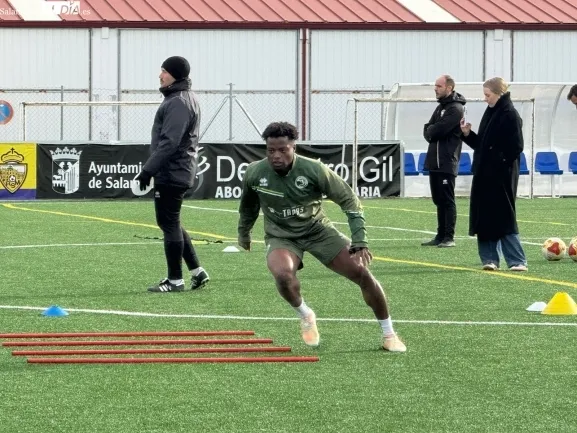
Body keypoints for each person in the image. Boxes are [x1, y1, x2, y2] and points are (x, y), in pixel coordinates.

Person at [237, 121, 406, 352]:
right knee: (283, 276)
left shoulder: (314, 169)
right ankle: (305, 314)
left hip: (318, 230)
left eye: (282, 150)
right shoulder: (255, 172)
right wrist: (243, 233)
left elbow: (349, 200)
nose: (276, 155)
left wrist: (359, 240)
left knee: (362, 274)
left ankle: (389, 334)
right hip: (281, 236)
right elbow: (248, 206)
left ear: (293, 147)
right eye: (270, 150)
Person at [135, 56, 210, 292]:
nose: (160, 75)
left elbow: (169, 142)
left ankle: (175, 280)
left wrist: (147, 171)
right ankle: (197, 271)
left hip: (173, 170)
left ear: (175, 74)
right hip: (178, 169)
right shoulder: (183, 98)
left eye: (164, 71)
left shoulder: (178, 101)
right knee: (172, 221)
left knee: (168, 223)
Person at [460, 77, 528, 272]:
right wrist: (467, 134)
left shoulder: (510, 114)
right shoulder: (491, 112)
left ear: (499, 94)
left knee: (504, 215)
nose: (485, 99)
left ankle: (517, 260)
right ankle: (489, 259)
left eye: (487, 95)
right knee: (484, 215)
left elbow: (516, 146)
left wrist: (499, 163)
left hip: (501, 175)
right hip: (484, 173)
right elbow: (482, 145)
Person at [421, 75, 467, 248]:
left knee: (447, 199)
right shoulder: (441, 107)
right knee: (438, 200)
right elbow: (428, 129)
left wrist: (432, 131)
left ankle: (449, 237)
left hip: (447, 161)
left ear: (449, 88)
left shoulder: (455, 108)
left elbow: (437, 130)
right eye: (435, 85)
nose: (435, 88)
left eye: (439, 86)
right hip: (435, 161)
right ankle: (440, 235)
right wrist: (431, 131)